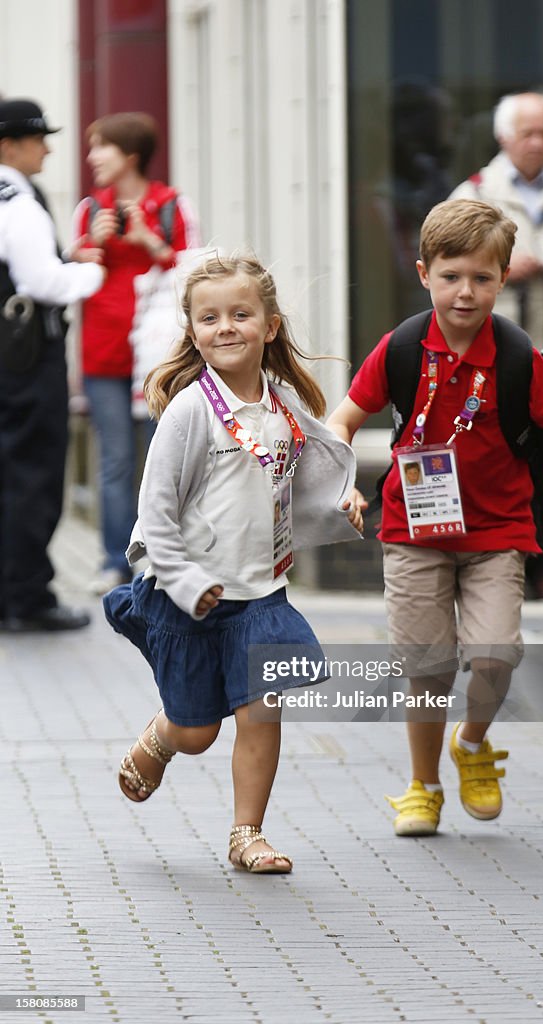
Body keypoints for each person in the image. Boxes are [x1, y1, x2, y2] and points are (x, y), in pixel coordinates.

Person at [326, 198, 543, 837]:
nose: (466, 292)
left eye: (482, 278)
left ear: (503, 276)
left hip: (497, 532)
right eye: (451, 276)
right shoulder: (403, 347)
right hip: (413, 531)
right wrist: (340, 485)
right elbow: (344, 421)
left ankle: (472, 742)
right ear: (423, 273)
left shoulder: (517, 356)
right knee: (428, 666)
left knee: (496, 656)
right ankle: (423, 785)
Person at [103, 253, 362, 873]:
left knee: (262, 709)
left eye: (241, 314)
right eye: (209, 317)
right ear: (192, 331)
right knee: (198, 734)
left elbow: (300, 475)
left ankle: (247, 835)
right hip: (185, 594)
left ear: (269, 326)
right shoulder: (191, 411)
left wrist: (342, 497)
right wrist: (186, 581)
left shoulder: (283, 405)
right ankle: (163, 735)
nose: (226, 327)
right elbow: (155, 513)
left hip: (261, 595)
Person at [451, 92, 543, 600]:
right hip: (498, 354)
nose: (538, 143)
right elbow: (449, 262)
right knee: (498, 462)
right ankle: (499, 569)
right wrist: (504, 272)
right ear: (503, 137)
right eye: (527, 133)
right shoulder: (473, 193)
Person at [72, 112, 200, 595]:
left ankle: (161, 559)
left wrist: (150, 240)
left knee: (163, 462)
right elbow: (69, 277)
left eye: (100, 147)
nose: (92, 158)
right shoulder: (88, 210)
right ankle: (113, 561)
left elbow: (198, 270)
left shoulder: (171, 206)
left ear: (128, 154)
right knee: (115, 463)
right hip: (103, 355)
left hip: (160, 357)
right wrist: (91, 245)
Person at [0, 98, 104, 632]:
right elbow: (40, 282)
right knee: (33, 472)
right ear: (9, 145)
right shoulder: (16, 199)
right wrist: (90, 276)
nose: (48, 148)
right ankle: (27, 596)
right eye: (38, 139)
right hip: (25, 358)